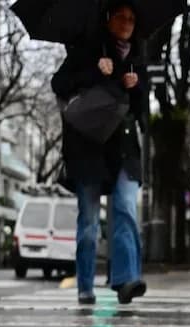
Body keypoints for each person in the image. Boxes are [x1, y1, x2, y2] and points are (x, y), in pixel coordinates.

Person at [51, 0, 148, 305]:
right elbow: (59, 84)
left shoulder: (137, 58)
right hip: (88, 149)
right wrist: (95, 71)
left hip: (124, 149)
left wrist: (136, 87)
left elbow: (142, 112)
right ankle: (85, 286)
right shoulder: (86, 51)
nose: (127, 22)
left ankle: (126, 280)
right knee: (90, 221)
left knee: (126, 210)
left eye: (132, 18)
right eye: (121, 16)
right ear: (108, 19)